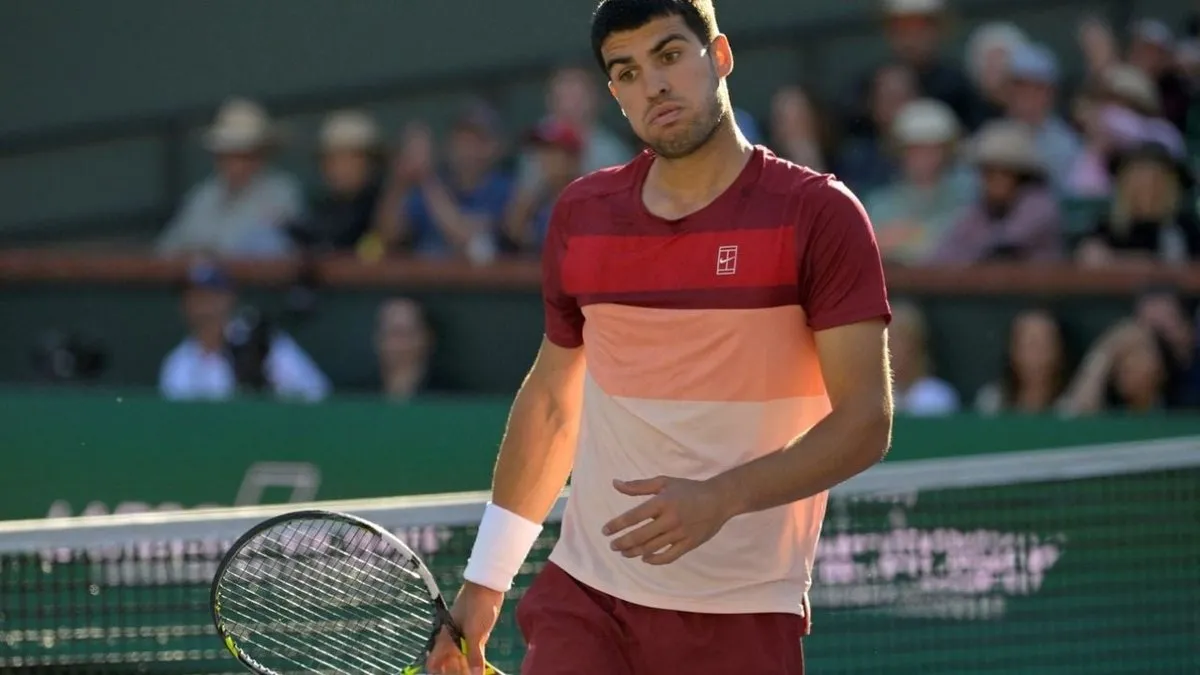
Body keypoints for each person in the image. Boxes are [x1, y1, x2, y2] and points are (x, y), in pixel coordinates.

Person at [427, 2, 894, 674]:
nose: (653, 84)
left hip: (743, 611)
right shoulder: (582, 215)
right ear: (614, 94)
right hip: (586, 597)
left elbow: (865, 421)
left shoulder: (820, 215)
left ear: (721, 56)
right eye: (627, 71)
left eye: (670, 55)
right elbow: (556, 403)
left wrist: (722, 495)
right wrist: (485, 581)